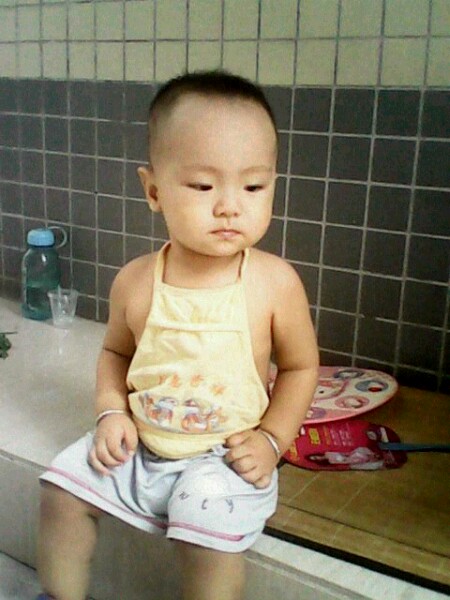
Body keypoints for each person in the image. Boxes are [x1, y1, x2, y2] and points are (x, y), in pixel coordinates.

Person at [36, 70, 319, 600]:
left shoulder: (274, 283)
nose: (230, 205)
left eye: (254, 186)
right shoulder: (136, 280)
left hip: (225, 457)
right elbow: (115, 352)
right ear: (154, 190)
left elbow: (301, 368)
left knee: (206, 539)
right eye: (204, 186)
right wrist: (111, 411)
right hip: (140, 443)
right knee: (59, 488)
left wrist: (272, 439)